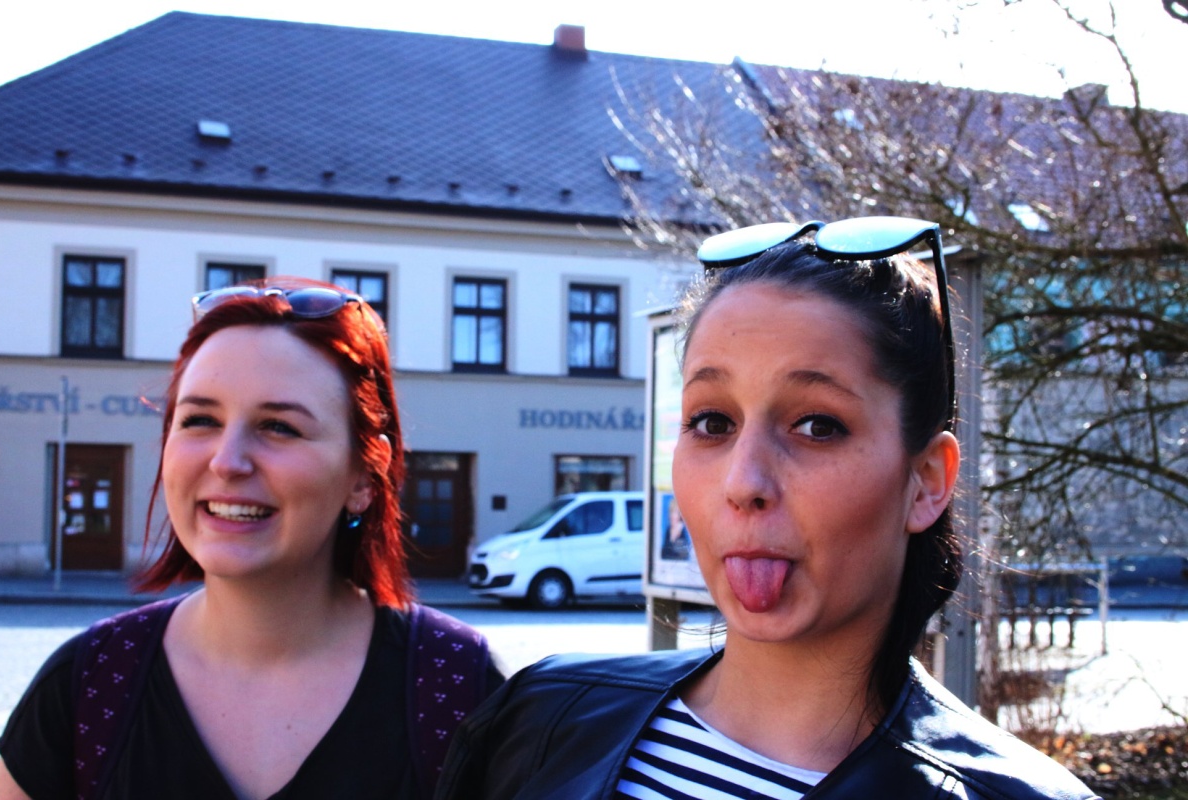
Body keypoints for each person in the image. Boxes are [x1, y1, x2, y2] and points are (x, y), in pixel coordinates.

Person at [435, 217, 1098, 799]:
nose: (743, 481)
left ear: (925, 482)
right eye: (712, 422)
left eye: (817, 426)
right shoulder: (542, 720)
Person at [0, 278, 503, 800]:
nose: (227, 461)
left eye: (279, 427)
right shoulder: (89, 685)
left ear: (363, 477)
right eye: (200, 420)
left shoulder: (458, 688)